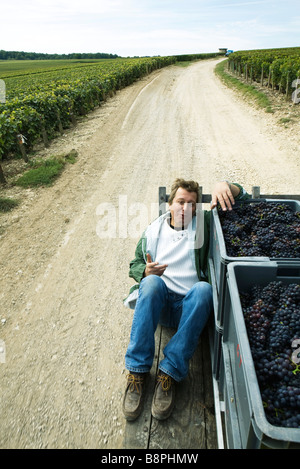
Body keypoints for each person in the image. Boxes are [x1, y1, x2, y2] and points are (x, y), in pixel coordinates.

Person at [122, 179, 249, 421]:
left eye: (192, 204)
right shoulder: (153, 230)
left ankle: (168, 372)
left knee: (203, 290)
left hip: (187, 309)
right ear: (169, 204)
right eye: (180, 202)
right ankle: (137, 371)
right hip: (160, 304)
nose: (185, 209)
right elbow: (135, 263)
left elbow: (241, 201)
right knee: (150, 283)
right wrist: (145, 272)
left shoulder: (205, 224)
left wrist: (227, 185)